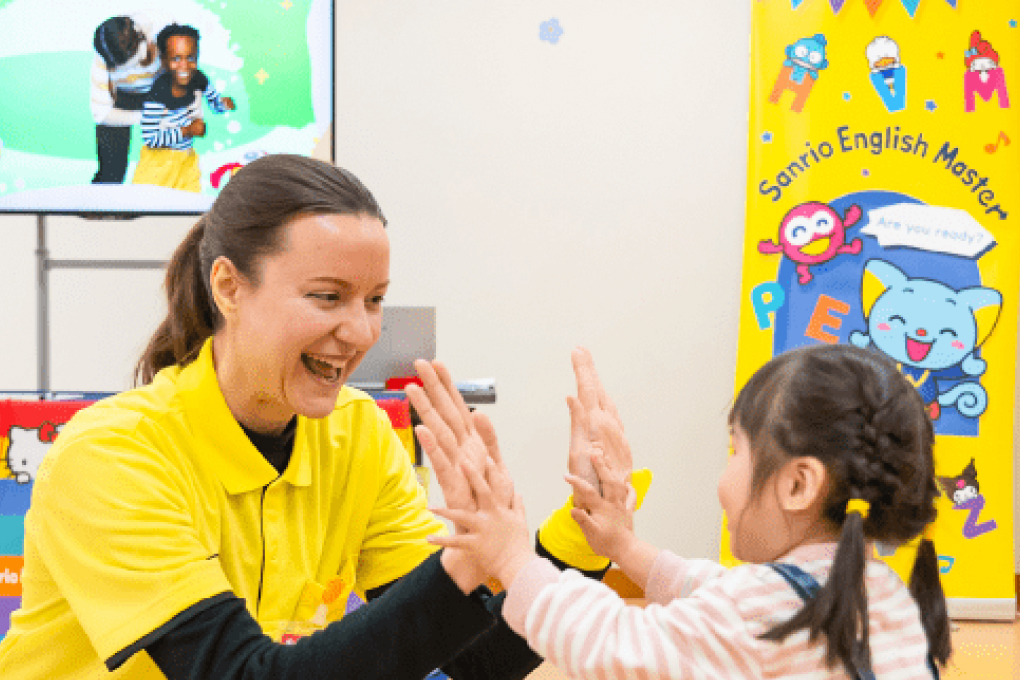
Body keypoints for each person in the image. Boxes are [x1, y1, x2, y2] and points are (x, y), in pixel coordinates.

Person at [0, 155, 644, 679]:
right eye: (328, 297)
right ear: (228, 287)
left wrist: (581, 532)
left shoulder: (357, 434)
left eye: (375, 300)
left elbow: (483, 662)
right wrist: (464, 566)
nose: (359, 331)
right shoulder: (111, 456)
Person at [419, 343, 951, 680]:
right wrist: (624, 547)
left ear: (797, 484)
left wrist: (513, 559)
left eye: (736, 451)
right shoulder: (875, 594)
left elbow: (616, 646)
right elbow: (716, 589)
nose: (725, 476)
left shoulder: (762, 612)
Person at [132, 24, 236, 193]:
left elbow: (214, 104)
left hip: (187, 160)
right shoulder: (157, 94)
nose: (184, 65)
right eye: (176, 58)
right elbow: (150, 138)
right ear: (164, 60)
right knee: (150, 203)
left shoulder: (199, 79)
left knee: (189, 203)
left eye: (191, 57)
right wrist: (187, 131)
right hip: (157, 164)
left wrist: (223, 104)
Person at [90, 14, 166, 184]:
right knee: (110, 173)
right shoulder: (103, 56)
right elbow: (101, 114)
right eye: (120, 68)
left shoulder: (163, 31)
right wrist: (145, 117)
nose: (127, 71)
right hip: (121, 94)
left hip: (161, 89)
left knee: (170, 162)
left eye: (132, 63)